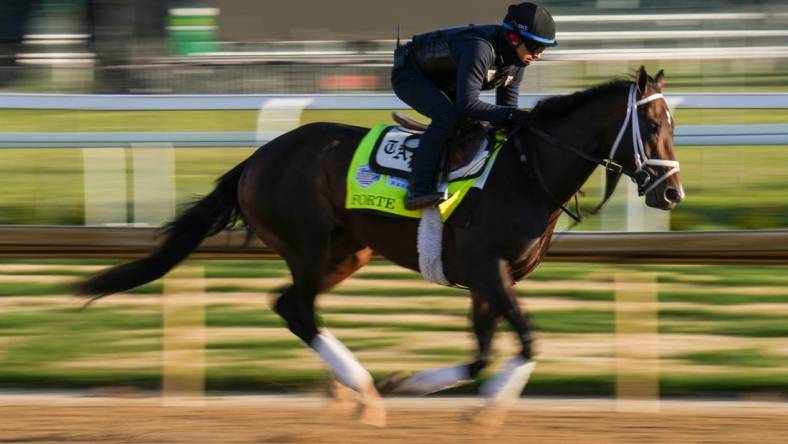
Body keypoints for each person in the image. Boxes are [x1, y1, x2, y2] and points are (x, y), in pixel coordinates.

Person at [391, 2, 557, 210]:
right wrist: (517, 116)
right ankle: (417, 188)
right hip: (410, 74)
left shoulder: (517, 61)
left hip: (443, 80)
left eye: (543, 49)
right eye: (535, 47)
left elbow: (506, 110)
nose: (538, 55)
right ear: (514, 38)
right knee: (447, 117)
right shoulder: (479, 49)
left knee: (483, 126)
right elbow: (467, 104)